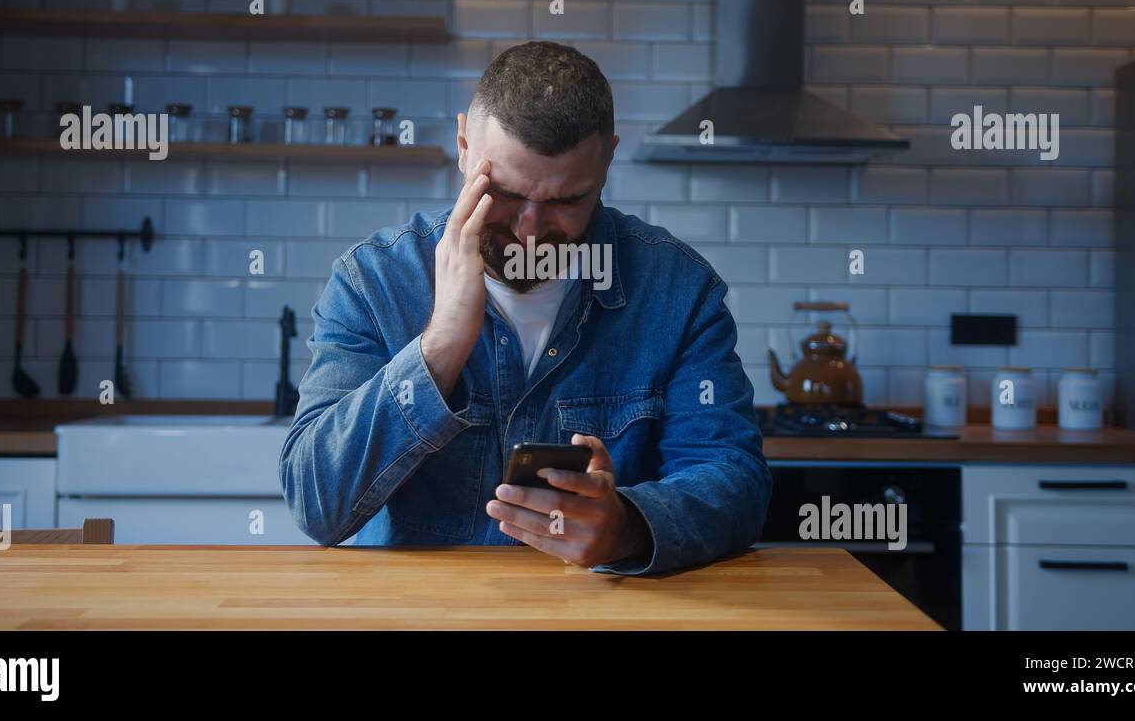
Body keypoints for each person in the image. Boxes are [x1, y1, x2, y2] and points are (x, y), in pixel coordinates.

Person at [280, 41, 771, 575]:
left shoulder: (678, 291)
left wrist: (628, 524)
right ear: (464, 145)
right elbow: (317, 505)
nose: (529, 230)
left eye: (564, 201)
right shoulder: (372, 282)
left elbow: (735, 481)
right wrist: (440, 345)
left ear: (607, 161)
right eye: (506, 193)